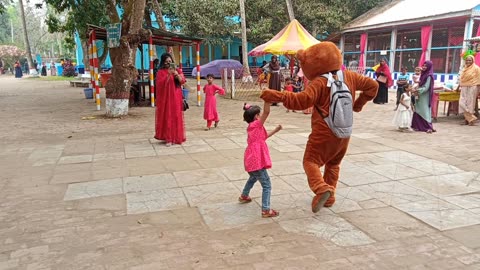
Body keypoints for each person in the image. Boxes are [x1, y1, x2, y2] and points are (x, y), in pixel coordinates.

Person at [261, 41, 378, 212]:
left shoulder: (320, 82)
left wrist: (276, 95)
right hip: (344, 133)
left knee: (310, 161)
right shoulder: (350, 77)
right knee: (333, 164)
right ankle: (329, 197)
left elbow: (302, 101)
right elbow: (373, 86)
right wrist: (358, 104)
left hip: (324, 132)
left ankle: (321, 188)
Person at [238, 102, 282, 218]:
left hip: (250, 159)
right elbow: (267, 112)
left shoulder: (253, 128)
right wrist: (267, 100)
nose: (261, 115)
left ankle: (244, 196)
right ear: (256, 116)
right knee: (267, 185)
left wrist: (276, 130)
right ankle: (266, 210)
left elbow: (264, 138)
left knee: (253, 177)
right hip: (257, 160)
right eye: (260, 114)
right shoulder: (256, 125)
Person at [154, 53, 186, 146]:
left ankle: (176, 137)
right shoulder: (161, 72)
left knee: (176, 116)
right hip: (166, 99)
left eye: (170, 61)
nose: (168, 63)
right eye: (166, 61)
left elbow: (183, 82)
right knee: (168, 116)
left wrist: (177, 75)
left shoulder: (178, 70)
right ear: (163, 62)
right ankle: (168, 138)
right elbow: (160, 85)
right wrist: (168, 74)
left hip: (176, 97)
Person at [411, 61, 436, 133]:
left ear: (429, 67)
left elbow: (426, 87)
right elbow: (420, 83)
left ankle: (428, 127)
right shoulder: (423, 74)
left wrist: (417, 90)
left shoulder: (429, 76)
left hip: (425, 96)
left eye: (426, 66)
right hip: (419, 95)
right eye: (423, 65)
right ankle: (417, 126)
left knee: (424, 111)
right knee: (418, 109)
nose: (424, 67)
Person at [458, 53, 480, 126]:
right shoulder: (464, 68)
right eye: (467, 60)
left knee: (470, 104)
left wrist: (478, 90)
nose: (468, 62)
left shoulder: (476, 68)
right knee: (462, 103)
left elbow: (479, 79)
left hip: (473, 87)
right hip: (464, 86)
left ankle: (468, 120)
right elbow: (461, 78)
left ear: (473, 60)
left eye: (470, 60)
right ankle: (471, 118)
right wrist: (458, 86)